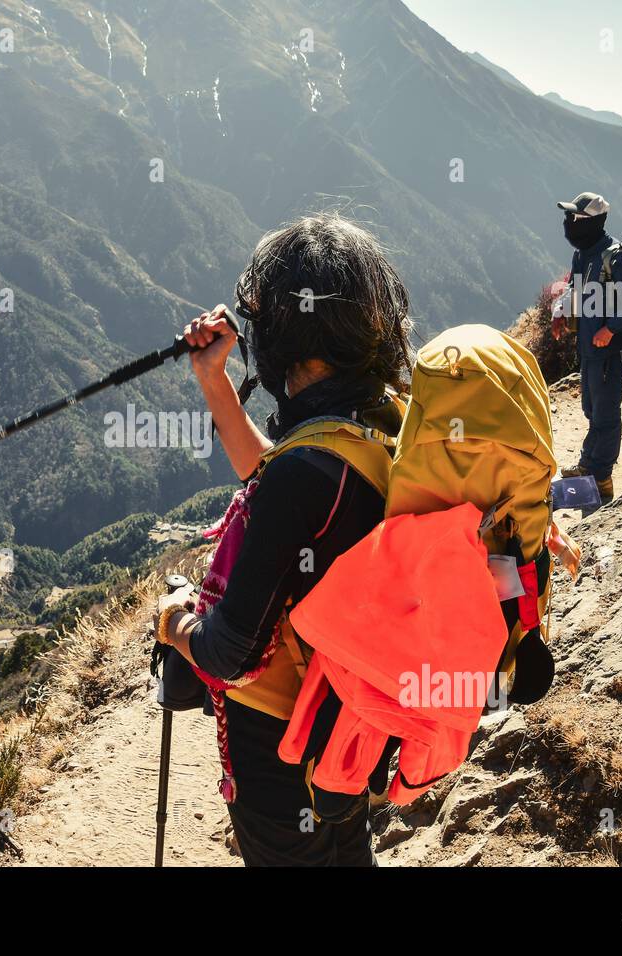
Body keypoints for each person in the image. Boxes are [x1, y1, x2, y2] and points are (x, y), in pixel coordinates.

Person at [150, 213, 413, 866]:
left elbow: (230, 654)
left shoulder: (305, 471)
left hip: (277, 745)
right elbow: (292, 489)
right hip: (351, 723)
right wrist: (215, 381)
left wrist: (174, 619)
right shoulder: (380, 428)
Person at [551, 191, 622, 504]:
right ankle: (587, 465)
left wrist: (612, 327)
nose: (569, 223)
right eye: (570, 217)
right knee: (592, 409)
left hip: (610, 351)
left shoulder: (615, 256)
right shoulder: (583, 254)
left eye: (576, 217)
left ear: (593, 221)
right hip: (589, 349)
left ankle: (601, 481)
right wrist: (561, 311)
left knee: (605, 414)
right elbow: (577, 288)